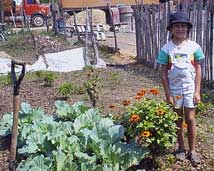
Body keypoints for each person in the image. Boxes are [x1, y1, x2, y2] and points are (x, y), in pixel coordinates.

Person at [157, 11, 205, 165]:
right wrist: (168, 94)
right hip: (175, 90)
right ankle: (181, 148)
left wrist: (197, 91)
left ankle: (192, 150)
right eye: (176, 26)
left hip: (190, 89)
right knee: (178, 120)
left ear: (187, 29)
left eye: (183, 26)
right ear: (171, 29)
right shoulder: (166, 49)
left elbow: (198, 69)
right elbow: (163, 72)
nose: (180, 29)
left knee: (190, 119)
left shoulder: (194, 47)